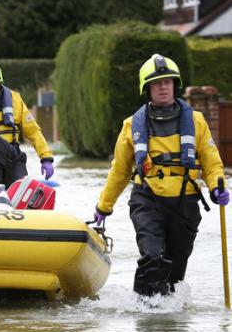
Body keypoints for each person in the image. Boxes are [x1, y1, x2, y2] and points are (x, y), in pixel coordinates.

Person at [93, 54, 229, 296]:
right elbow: (119, 171)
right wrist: (104, 207)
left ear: (175, 85)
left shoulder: (197, 121)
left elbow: (212, 163)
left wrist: (217, 187)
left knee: (175, 274)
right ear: (147, 88)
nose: (163, 87)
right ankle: (146, 313)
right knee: (153, 257)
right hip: (147, 200)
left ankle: (169, 328)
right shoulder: (130, 126)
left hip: (185, 203)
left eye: (168, 82)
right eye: (157, 83)